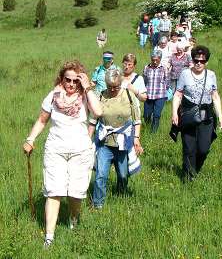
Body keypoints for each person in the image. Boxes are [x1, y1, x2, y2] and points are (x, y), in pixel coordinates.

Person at [23, 60, 102, 247]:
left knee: (76, 192)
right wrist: (30, 139)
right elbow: (42, 120)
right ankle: (49, 237)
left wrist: (88, 87)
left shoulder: (85, 95)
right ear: (62, 78)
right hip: (55, 149)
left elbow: (98, 112)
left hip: (80, 150)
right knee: (54, 191)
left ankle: (73, 219)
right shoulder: (53, 96)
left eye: (76, 80)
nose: (72, 84)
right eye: (68, 79)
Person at [89, 69, 143, 209]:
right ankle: (97, 204)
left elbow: (137, 120)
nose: (112, 89)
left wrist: (136, 139)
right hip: (104, 142)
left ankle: (122, 196)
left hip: (123, 142)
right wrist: (88, 140)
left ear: (121, 84)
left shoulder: (129, 96)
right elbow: (93, 121)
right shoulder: (100, 96)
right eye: (110, 87)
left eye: (116, 86)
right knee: (101, 174)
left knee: (123, 174)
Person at [172, 45, 222, 180]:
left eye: (202, 61)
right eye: (196, 60)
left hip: (206, 116)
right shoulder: (185, 73)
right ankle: (189, 177)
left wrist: (221, 117)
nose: (199, 63)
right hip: (188, 114)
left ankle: (195, 168)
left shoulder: (211, 75)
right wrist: (174, 113)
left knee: (203, 148)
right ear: (193, 60)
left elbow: (215, 96)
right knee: (189, 148)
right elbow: (178, 94)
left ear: (206, 62)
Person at [143, 50, 169, 132]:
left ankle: (153, 132)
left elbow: (167, 82)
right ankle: (147, 127)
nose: (154, 62)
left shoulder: (164, 68)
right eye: (153, 59)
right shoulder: (146, 67)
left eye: (156, 60)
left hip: (160, 95)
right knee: (146, 115)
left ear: (160, 59)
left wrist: (163, 89)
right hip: (148, 95)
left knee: (157, 115)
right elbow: (144, 80)